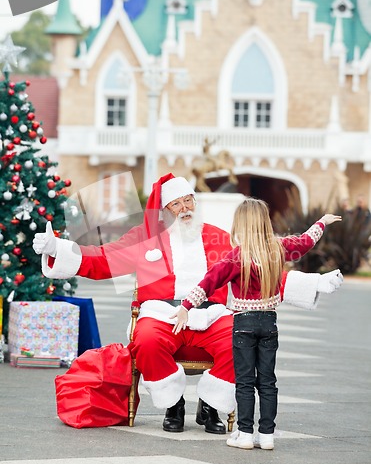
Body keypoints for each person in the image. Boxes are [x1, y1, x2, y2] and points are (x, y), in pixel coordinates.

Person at [33, 174, 343, 435]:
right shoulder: (145, 238)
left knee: (241, 340)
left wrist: (314, 283)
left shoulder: (218, 238)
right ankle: (173, 403)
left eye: (189, 201)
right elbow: (103, 259)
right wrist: (57, 248)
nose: (184, 209)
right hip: (161, 313)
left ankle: (211, 406)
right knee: (147, 340)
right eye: (176, 203)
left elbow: (257, 267)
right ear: (165, 209)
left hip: (210, 314)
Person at [172, 198, 342, 449]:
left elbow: (210, 282)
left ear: (240, 223)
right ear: (264, 222)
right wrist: (322, 222)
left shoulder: (235, 257)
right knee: (267, 380)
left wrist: (185, 307)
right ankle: (267, 435)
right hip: (269, 323)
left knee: (245, 381)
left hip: (243, 324)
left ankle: (244, 434)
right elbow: (304, 242)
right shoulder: (278, 248)